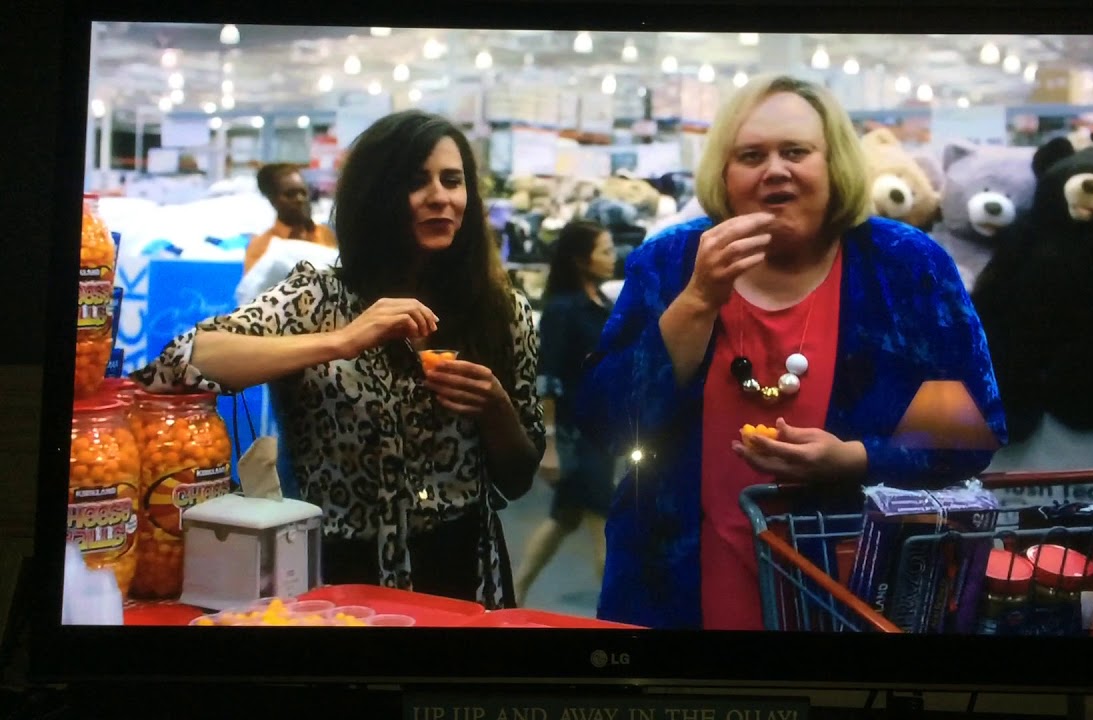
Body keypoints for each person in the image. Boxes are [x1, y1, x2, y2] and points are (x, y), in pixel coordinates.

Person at [577, 75, 1008, 630]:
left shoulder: (905, 266)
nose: (774, 169)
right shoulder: (670, 262)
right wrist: (699, 298)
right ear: (724, 175)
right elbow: (605, 422)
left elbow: (969, 435)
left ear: (834, 165)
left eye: (796, 152)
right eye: (751, 155)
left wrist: (855, 458)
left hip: (851, 597)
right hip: (674, 595)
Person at [132, 111, 545, 608]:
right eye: (417, 182)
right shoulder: (320, 296)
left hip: (465, 576)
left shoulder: (502, 312)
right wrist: (343, 340)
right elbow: (181, 361)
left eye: (452, 181)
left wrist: (496, 408)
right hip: (335, 577)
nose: (441, 196)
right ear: (377, 196)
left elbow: (520, 477)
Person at [512, 220, 618, 606]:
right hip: (577, 431)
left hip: (602, 428)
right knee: (603, 523)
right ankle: (613, 612)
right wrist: (550, 443)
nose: (613, 257)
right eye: (605, 250)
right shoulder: (562, 309)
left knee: (566, 517)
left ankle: (517, 589)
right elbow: (548, 378)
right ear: (580, 259)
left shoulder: (601, 303)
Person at [242, 162, 337, 275]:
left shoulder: (327, 235)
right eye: (290, 194)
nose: (299, 199)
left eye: (303, 192)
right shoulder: (261, 247)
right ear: (273, 200)